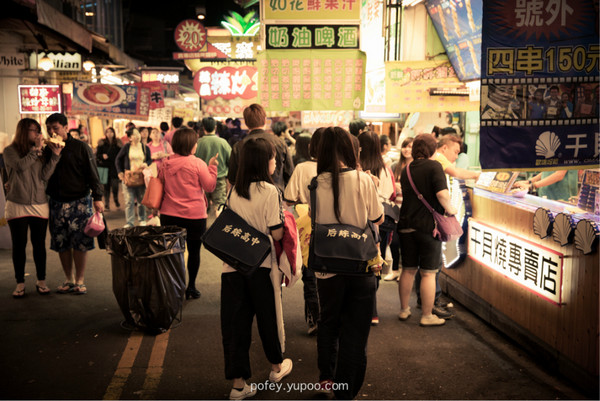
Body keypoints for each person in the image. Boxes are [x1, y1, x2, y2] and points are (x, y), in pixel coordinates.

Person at [299, 126, 383, 399]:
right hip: (360, 264)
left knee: (329, 322)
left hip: (326, 267)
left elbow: (314, 218)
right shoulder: (363, 180)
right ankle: (347, 389)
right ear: (350, 150)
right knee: (356, 330)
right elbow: (378, 218)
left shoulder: (315, 183)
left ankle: (326, 378)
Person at [221, 136, 292, 400]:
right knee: (268, 318)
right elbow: (275, 234)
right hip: (261, 266)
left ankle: (238, 385)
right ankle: (276, 367)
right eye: (273, 158)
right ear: (264, 162)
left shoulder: (234, 190)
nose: (275, 162)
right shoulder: (270, 191)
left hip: (232, 266)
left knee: (235, 324)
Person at [397, 133, 457, 327]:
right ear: (432, 150)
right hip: (427, 227)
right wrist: (451, 209)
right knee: (428, 273)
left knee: (407, 269)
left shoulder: (406, 169)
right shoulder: (435, 167)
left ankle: (404, 309)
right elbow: (441, 194)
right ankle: (427, 315)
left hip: (405, 225)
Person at [44, 113, 104, 295]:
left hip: (80, 200)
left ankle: (80, 280)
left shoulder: (80, 147)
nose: (52, 132)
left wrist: (98, 197)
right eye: (49, 129)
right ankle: (68, 279)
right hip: (56, 201)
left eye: (55, 128)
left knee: (81, 242)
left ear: (65, 128)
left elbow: (93, 173)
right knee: (61, 242)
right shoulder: (47, 149)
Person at [4, 118, 63, 297]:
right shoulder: (9, 151)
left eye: (39, 131)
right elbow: (21, 167)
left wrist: (54, 156)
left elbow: (44, 176)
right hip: (17, 203)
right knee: (19, 245)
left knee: (39, 245)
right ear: (23, 131)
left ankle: (41, 281)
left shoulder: (41, 152)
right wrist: (35, 150)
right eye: (34, 131)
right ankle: (20, 283)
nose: (39, 134)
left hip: (39, 203)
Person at [159, 128, 218, 300]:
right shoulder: (198, 163)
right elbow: (210, 187)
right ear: (191, 145)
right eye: (195, 142)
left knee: (172, 252)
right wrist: (212, 168)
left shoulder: (166, 162)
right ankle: (191, 287)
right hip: (194, 216)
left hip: (169, 214)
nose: (196, 145)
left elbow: (160, 185)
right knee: (194, 251)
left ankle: (174, 286)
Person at [283, 128, 325, 335]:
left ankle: (315, 320)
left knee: (310, 275)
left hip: (309, 227)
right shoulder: (344, 169)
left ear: (311, 147)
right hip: (337, 231)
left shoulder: (302, 168)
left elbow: (289, 198)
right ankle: (331, 319)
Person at [358, 131, 395, 326]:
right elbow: (388, 194)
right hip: (380, 221)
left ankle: (366, 307)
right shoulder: (383, 168)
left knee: (363, 263)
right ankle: (372, 307)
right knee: (377, 264)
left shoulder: (355, 167)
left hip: (359, 223)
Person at [228, 104, 294, 192]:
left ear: (246, 123)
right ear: (265, 120)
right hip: (276, 195)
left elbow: (232, 178)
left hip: (247, 197)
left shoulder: (238, 146)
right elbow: (289, 173)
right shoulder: (280, 143)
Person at [386, 136, 414, 282]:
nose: (407, 149)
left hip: (410, 211)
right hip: (394, 209)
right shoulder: (395, 166)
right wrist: (394, 187)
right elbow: (387, 185)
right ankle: (395, 269)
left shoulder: (416, 167)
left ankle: (403, 270)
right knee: (394, 241)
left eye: (410, 146)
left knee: (406, 243)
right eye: (405, 146)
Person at [115, 129, 152, 228]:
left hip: (140, 176)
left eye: (138, 133)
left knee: (141, 200)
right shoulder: (127, 147)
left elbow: (149, 159)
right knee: (129, 201)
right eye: (134, 134)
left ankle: (142, 219)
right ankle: (130, 222)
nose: (137, 136)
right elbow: (117, 159)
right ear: (130, 138)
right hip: (129, 177)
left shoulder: (145, 147)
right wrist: (119, 172)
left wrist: (146, 163)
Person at [195, 117, 232, 212]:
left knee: (202, 206)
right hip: (219, 179)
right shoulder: (223, 142)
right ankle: (220, 226)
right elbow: (231, 161)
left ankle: (204, 226)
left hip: (201, 180)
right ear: (215, 127)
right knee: (220, 206)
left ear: (203, 128)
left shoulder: (198, 142)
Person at [96, 127, 122, 210]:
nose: (109, 133)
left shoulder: (118, 144)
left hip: (115, 168)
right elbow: (97, 155)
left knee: (115, 186)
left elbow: (121, 155)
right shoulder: (102, 143)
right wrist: (102, 156)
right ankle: (106, 203)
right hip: (105, 167)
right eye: (108, 132)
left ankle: (116, 200)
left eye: (111, 132)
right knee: (106, 187)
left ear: (114, 133)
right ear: (105, 133)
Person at [514, 170, 579, 201]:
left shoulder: (566, 148)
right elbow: (546, 172)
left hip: (561, 198)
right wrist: (529, 182)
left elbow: (559, 175)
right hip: (547, 195)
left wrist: (532, 186)